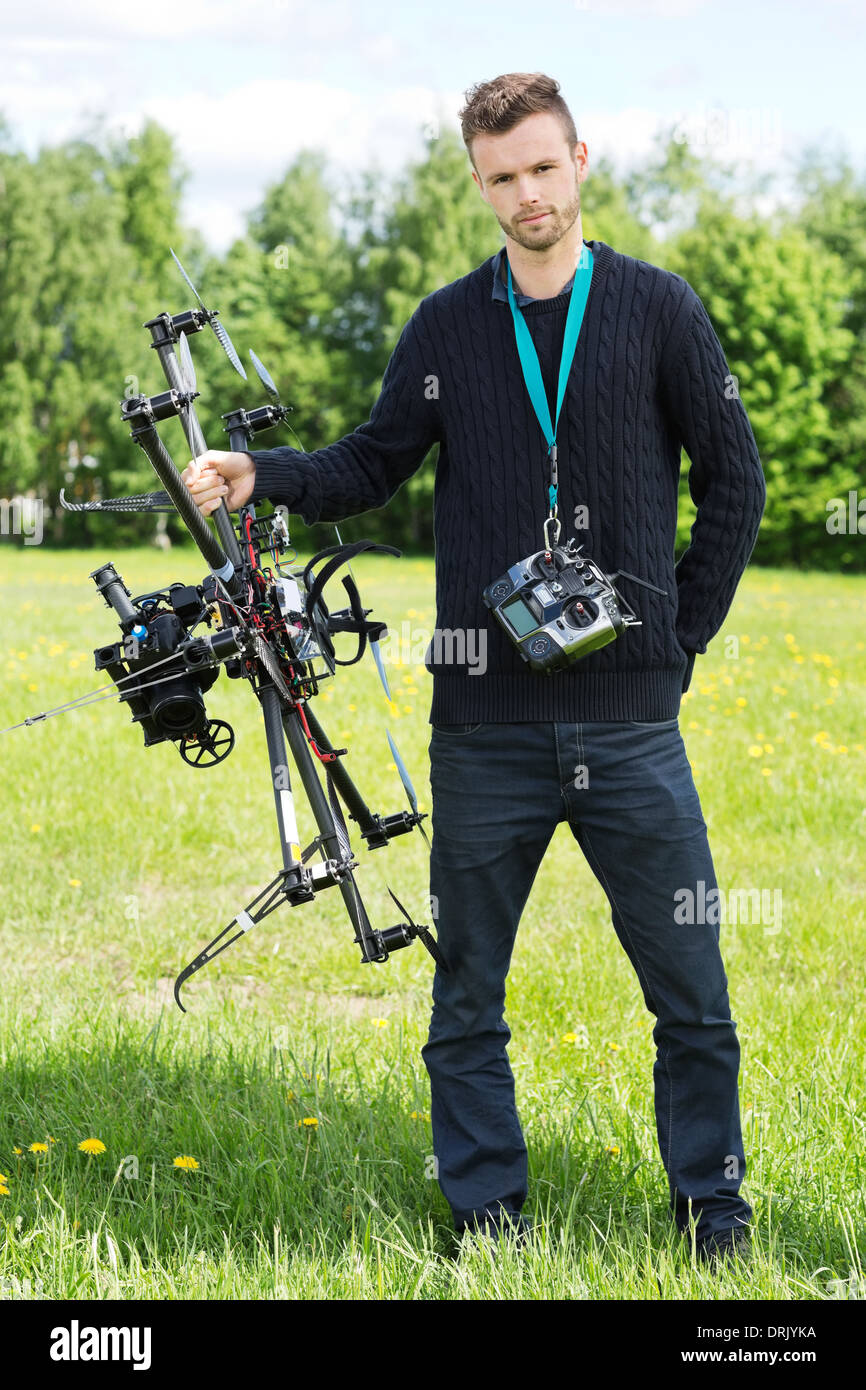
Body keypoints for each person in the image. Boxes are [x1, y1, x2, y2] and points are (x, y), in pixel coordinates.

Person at [182, 71, 766, 1263]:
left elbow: (735, 483)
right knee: (465, 1002)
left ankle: (711, 1207)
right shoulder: (448, 325)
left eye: (543, 168)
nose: (527, 194)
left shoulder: (658, 309)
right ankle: (488, 1219)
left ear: (580, 160)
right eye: (502, 177)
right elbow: (372, 460)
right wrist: (266, 473)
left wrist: (677, 643)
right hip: (485, 726)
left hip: (629, 723)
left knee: (691, 997)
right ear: (478, 184)